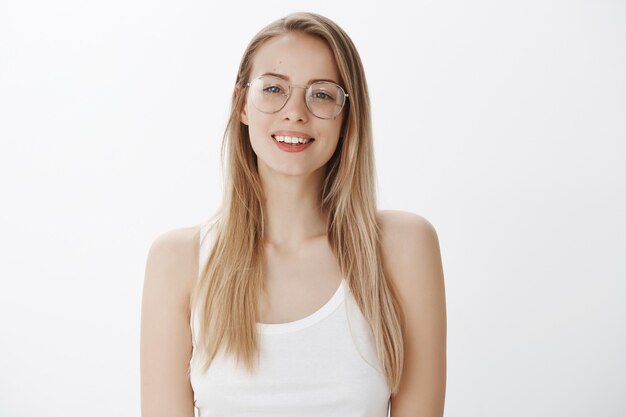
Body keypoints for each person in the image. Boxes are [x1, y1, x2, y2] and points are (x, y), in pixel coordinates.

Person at [140, 12, 446, 417]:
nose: (295, 113)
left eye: (321, 94)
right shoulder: (179, 260)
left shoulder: (403, 248)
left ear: (346, 115)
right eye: (273, 89)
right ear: (242, 105)